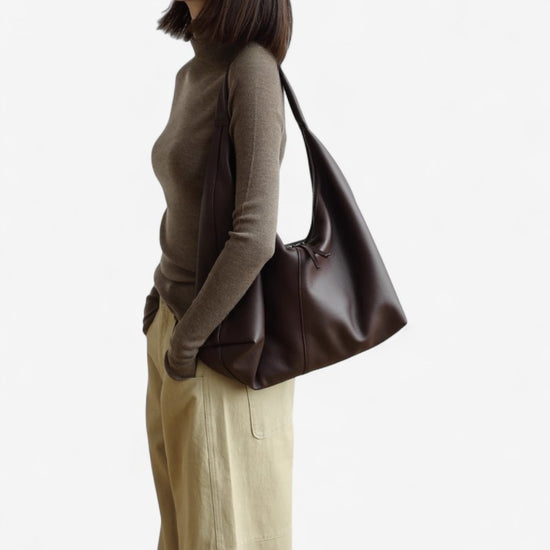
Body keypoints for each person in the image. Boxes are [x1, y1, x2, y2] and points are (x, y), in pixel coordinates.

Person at [141, 0, 295, 548]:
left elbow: (253, 236)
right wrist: (160, 303)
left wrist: (187, 342)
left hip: (220, 348)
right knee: (182, 535)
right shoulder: (194, 72)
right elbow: (190, 200)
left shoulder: (252, 70)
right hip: (178, 330)